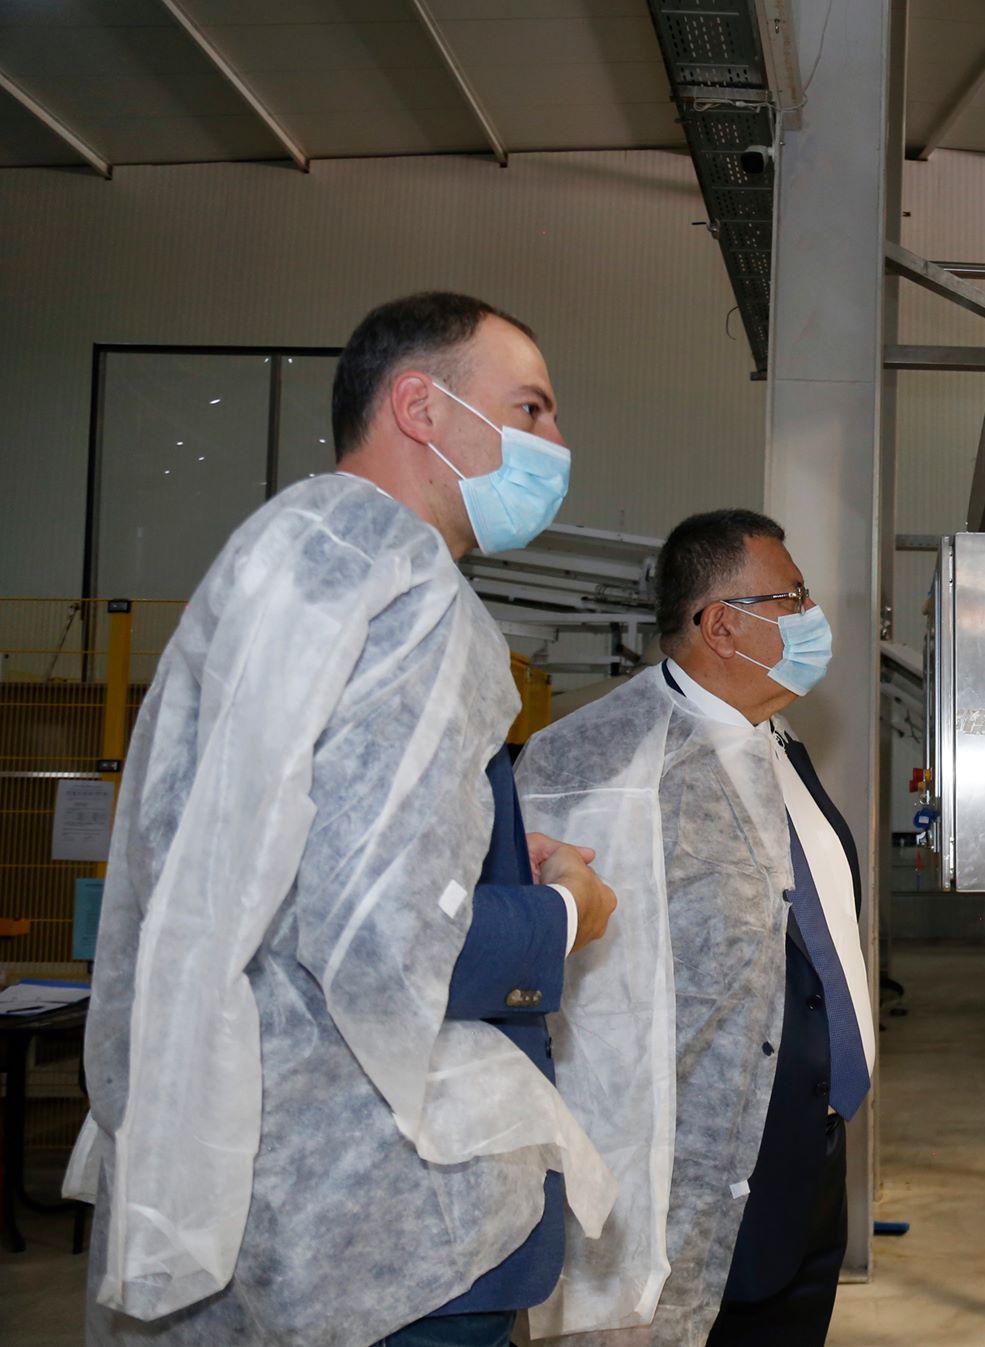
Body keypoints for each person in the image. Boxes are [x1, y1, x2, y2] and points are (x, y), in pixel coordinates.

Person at [67, 292, 621, 1347]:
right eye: (531, 408)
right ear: (421, 407)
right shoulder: (411, 597)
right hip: (385, 1232)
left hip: (254, 1183)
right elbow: (391, 945)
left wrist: (492, 855)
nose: (556, 442)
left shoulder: (290, 556)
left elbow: (296, 862)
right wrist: (563, 911)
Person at [516, 509, 875, 1347]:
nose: (813, 616)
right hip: (689, 1182)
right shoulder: (596, 762)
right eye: (793, 598)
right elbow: (557, 986)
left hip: (810, 1161)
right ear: (721, 624)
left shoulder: (777, 742)